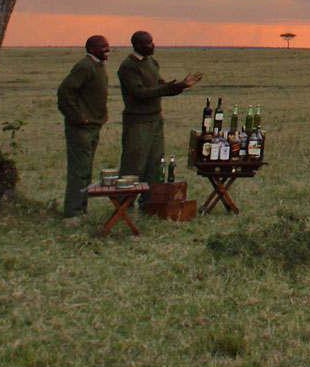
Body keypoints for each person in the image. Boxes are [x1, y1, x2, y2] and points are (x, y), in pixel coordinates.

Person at [117, 30, 203, 186]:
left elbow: (160, 86)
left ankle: (150, 201)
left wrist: (181, 86)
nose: (153, 45)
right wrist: (165, 89)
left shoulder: (152, 62)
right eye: (149, 42)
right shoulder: (128, 66)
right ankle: (125, 202)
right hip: (138, 121)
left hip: (155, 119)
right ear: (137, 45)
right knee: (134, 161)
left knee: (155, 161)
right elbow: (139, 93)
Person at [56, 34, 111, 223]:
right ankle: (72, 213)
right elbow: (65, 90)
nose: (107, 50)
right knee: (79, 169)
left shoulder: (99, 66)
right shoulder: (85, 66)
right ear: (92, 48)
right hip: (81, 128)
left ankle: (81, 209)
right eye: (103, 47)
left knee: (86, 169)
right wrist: (75, 115)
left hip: (94, 125)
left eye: (108, 46)